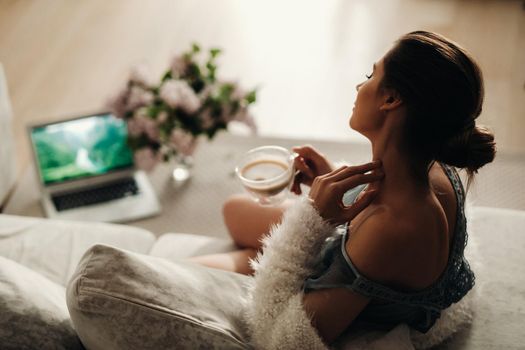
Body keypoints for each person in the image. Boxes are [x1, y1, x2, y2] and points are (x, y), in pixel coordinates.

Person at [190, 31, 496, 348]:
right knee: (235, 209)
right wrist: (333, 177)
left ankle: (244, 262)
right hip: (355, 259)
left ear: (391, 99)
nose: (359, 86)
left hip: (336, 285)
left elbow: (282, 342)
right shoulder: (433, 167)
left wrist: (313, 219)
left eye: (370, 75)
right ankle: (247, 259)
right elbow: (385, 198)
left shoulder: (389, 229)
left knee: (192, 271)